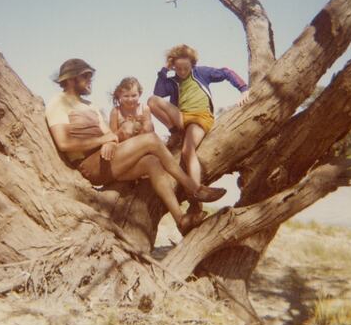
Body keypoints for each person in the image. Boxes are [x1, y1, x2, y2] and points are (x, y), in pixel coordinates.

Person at [45, 58, 226, 235]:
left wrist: (108, 141)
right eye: (85, 76)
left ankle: (181, 220)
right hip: (89, 165)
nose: (90, 80)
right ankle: (194, 189)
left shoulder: (90, 106)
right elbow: (64, 143)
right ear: (69, 79)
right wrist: (104, 140)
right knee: (151, 139)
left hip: (106, 158)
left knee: (152, 162)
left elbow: (109, 134)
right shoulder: (58, 103)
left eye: (90, 76)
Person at [148, 44, 249, 216]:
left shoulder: (201, 73)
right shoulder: (173, 81)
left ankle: (197, 191)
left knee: (188, 151)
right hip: (181, 117)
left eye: (185, 68)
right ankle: (174, 132)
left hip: (200, 117)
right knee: (152, 100)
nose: (181, 71)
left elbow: (226, 72)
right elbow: (158, 92)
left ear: (192, 64)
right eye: (178, 68)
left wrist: (244, 89)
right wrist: (165, 69)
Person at [109, 77, 154, 142]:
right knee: (128, 127)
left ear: (140, 94)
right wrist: (124, 126)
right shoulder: (116, 111)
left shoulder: (144, 109)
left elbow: (150, 130)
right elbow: (112, 135)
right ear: (120, 95)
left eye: (134, 96)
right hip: (124, 144)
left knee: (148, 125)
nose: (130, 100)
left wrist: (141, 123)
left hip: (142, 141)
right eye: (126, 96)